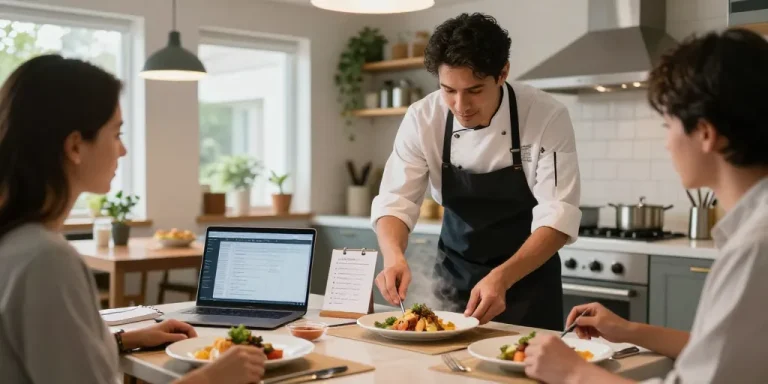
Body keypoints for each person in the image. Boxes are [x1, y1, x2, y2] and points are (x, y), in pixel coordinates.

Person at [0, 54, 266, 384]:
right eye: (116, 134)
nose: (122, 150)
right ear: (75, 147)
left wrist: (126, 339)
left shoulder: (16, 243)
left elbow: (47, 353)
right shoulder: (46, 259)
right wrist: (214, 378)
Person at [523, 28, 768, 384]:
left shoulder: (755, 247)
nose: (666, 143)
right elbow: (725, 354)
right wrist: (628, 330)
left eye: (667, 125)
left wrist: (572, 372)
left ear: (705, 133)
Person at [371, 12, 581, 329]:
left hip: (528, 279)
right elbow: (395, 200)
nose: (461, 106)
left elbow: (558, 213)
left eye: (474, 90)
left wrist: (502, 276)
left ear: (502, 73)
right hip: (453, 275)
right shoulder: (423, 118)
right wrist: (393, 256)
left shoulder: (545, 115)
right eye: (448, 90)